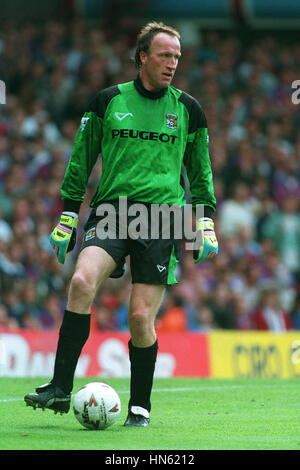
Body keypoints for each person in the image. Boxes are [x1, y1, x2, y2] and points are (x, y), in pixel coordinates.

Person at [24, 22, 218, 427]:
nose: (172, 64)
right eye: (165, 55)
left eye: (177, 57)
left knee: (139, 319)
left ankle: (140, 408)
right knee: (80, 283)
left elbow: (200, 173)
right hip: (112, 211)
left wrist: (205, 222)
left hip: (164, 219)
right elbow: (81, 158)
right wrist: (68, 214)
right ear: (143, 56)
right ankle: (60, 388)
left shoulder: (188, 109)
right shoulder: (107, 101)